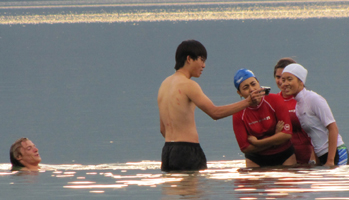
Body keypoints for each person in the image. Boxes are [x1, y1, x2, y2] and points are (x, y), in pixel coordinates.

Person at [157, 40, 264, 172]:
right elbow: (215, 113)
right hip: (187, 150)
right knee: (193, 192)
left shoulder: (164, 85)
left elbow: (163, 129)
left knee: (174, 191)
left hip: (167, 151)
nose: (204, 65)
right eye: (201, 60)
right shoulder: (188, 84)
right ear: (189, 59)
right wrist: (247, 102)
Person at [281, 63, 348, 166]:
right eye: (283, 80)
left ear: (301, 81)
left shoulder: (313, 99)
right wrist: (316, 161)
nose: (285, 83)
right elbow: (313, 136)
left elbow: (333, 128)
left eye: (290, 79)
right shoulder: (298, 106)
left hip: (336, 153)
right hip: (322, 156)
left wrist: (330, 161)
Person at [232, 68, 297, 167]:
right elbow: (245, 148)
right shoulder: (238, 112)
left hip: (284, 154)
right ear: (239, 93)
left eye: (253, 84)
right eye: (246, 88)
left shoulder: (275, 100)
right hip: (255, 159)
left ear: (258, 83)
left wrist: (258, 143)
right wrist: (275, 138)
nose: (251, 90)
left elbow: (287, 134)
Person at [274, 58, 316, 164]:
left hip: (310, 161)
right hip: (285, 161)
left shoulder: (307, 100)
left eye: (287, 78)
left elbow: (320, 132)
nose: (281, 81)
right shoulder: (272, 102)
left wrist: (314, 159)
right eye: (278, 77)